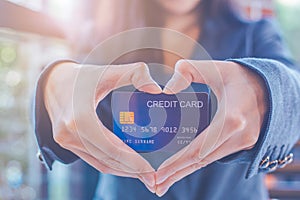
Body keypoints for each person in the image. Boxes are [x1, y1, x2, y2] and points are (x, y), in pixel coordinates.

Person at [34, 0, 300, 199]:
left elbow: (293, 86)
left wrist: (266, 91)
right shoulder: (103, 37)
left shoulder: (253, 33)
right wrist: (51, 85)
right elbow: (73, 107)